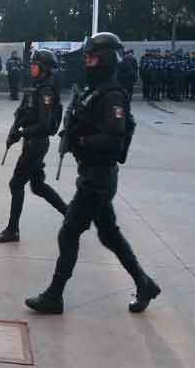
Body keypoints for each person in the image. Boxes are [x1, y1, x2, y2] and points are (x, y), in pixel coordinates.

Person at [25, 32, 160, 315]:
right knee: (109, 235)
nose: (87, 62)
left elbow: (114, 138)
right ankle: (144, 283)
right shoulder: (94, 91)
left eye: (92, 58)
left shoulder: (112, 95)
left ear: (107, 60)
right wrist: (72, 130)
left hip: (98, 179)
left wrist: (80, 140)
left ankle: (54, 296)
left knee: (68, 232)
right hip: (92, 175)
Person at [0, 50, 68, 243]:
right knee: (38, 186)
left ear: (44, 68)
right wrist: (15, 128)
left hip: (36, 144)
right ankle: (70, 215)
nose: (31, 67)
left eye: (35, 65)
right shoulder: (36, 87)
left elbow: (44, 125)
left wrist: (21, 133)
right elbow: (25, 114)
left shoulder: (46, 91)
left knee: (16, 184)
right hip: (32, 143)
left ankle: (12, 230)